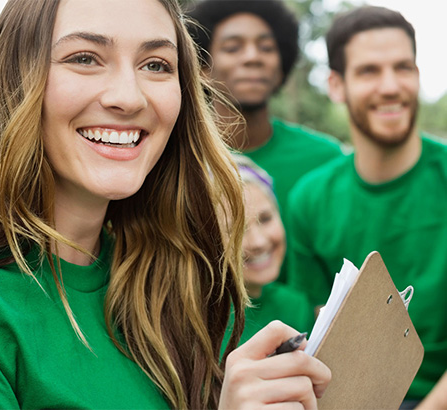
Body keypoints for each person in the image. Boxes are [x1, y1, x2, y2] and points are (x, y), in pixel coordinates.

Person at [0, 0, 331, 408]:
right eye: (85, 58)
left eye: (156, 65)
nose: (129, 97)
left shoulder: (181, 281)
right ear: (12, 77)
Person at [286, 5, 447, 404]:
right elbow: (316, 332)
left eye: (403, 68)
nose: (390, 86)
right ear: (337, 86)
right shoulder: (310, 199)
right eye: (369, 71)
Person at [186, 0, 344, 245]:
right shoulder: (179, 160)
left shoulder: (326, 160)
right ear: (202, 68)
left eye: (267, 48)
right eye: (232, 48)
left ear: (281, 68)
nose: (252, 57)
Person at [221, 155, 313, 355]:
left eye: (265, 218)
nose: (259, 242)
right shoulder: (199, 323)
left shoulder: (296, 306)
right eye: (237, 231)